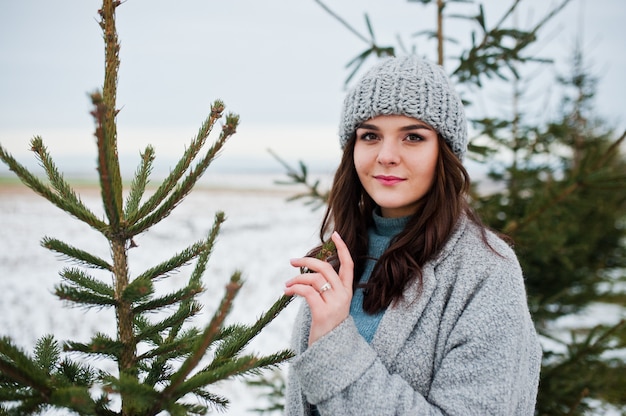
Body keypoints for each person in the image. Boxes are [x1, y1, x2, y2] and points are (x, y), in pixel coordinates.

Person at [283, 56, 542, 415]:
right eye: (370, 135)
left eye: (413, 137)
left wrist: (335, 348)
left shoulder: (487, 273)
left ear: (444, 152)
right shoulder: (340, 253)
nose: (387, 156)